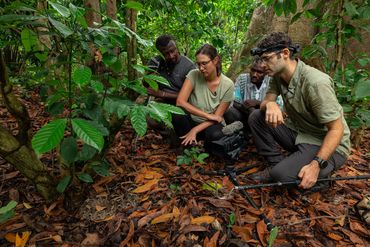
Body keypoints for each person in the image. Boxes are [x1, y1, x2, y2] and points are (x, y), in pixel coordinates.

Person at [248, 32, 350, 191]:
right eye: (261, 59)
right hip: (300, 132)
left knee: (282, 177)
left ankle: (321, 177)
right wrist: (269, 104)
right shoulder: (277, 75)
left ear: (285, 53)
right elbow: (267, 101)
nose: (262, 65)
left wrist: (316, 165)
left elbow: (337, 129)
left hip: (327, 142)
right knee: (256, 116)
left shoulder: (315, 83)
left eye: (267, 59)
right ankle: (276, 164)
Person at [173, 44, 234, 148]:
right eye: (198, 64)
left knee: (216, 135)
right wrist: (207, 115)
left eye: (204, 63)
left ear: (215, 60)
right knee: (177, 114)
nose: (201, 68)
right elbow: (180, 102)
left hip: (210, 124)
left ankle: (203, 144)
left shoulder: (228, 84)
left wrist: (195, 130)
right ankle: (188, 146)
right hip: (192, 121)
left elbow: (217, 117)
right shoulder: (193, 74)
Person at [224, 57, 283, 133]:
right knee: (230, 112)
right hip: (244, 115)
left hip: (264, 118)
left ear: (265, 73)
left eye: (259, 72)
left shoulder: (271, 81)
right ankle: (244, 134)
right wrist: (248, 108)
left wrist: (257, 103)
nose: (254, 74)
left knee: (261, 115)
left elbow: (279, 106)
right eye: (253, 70)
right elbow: (235, 101)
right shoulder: (242, 79)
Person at [147, 35, 196, 105]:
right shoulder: (156, 62)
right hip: (160, 102)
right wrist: (149, 74)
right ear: (160, 53)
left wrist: (162, 94)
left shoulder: (189, 66)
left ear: (177, 48)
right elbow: (147, 86)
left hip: (182, 105)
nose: (171, 56)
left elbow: (192, 95)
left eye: (173, 51)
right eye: (166, 54)